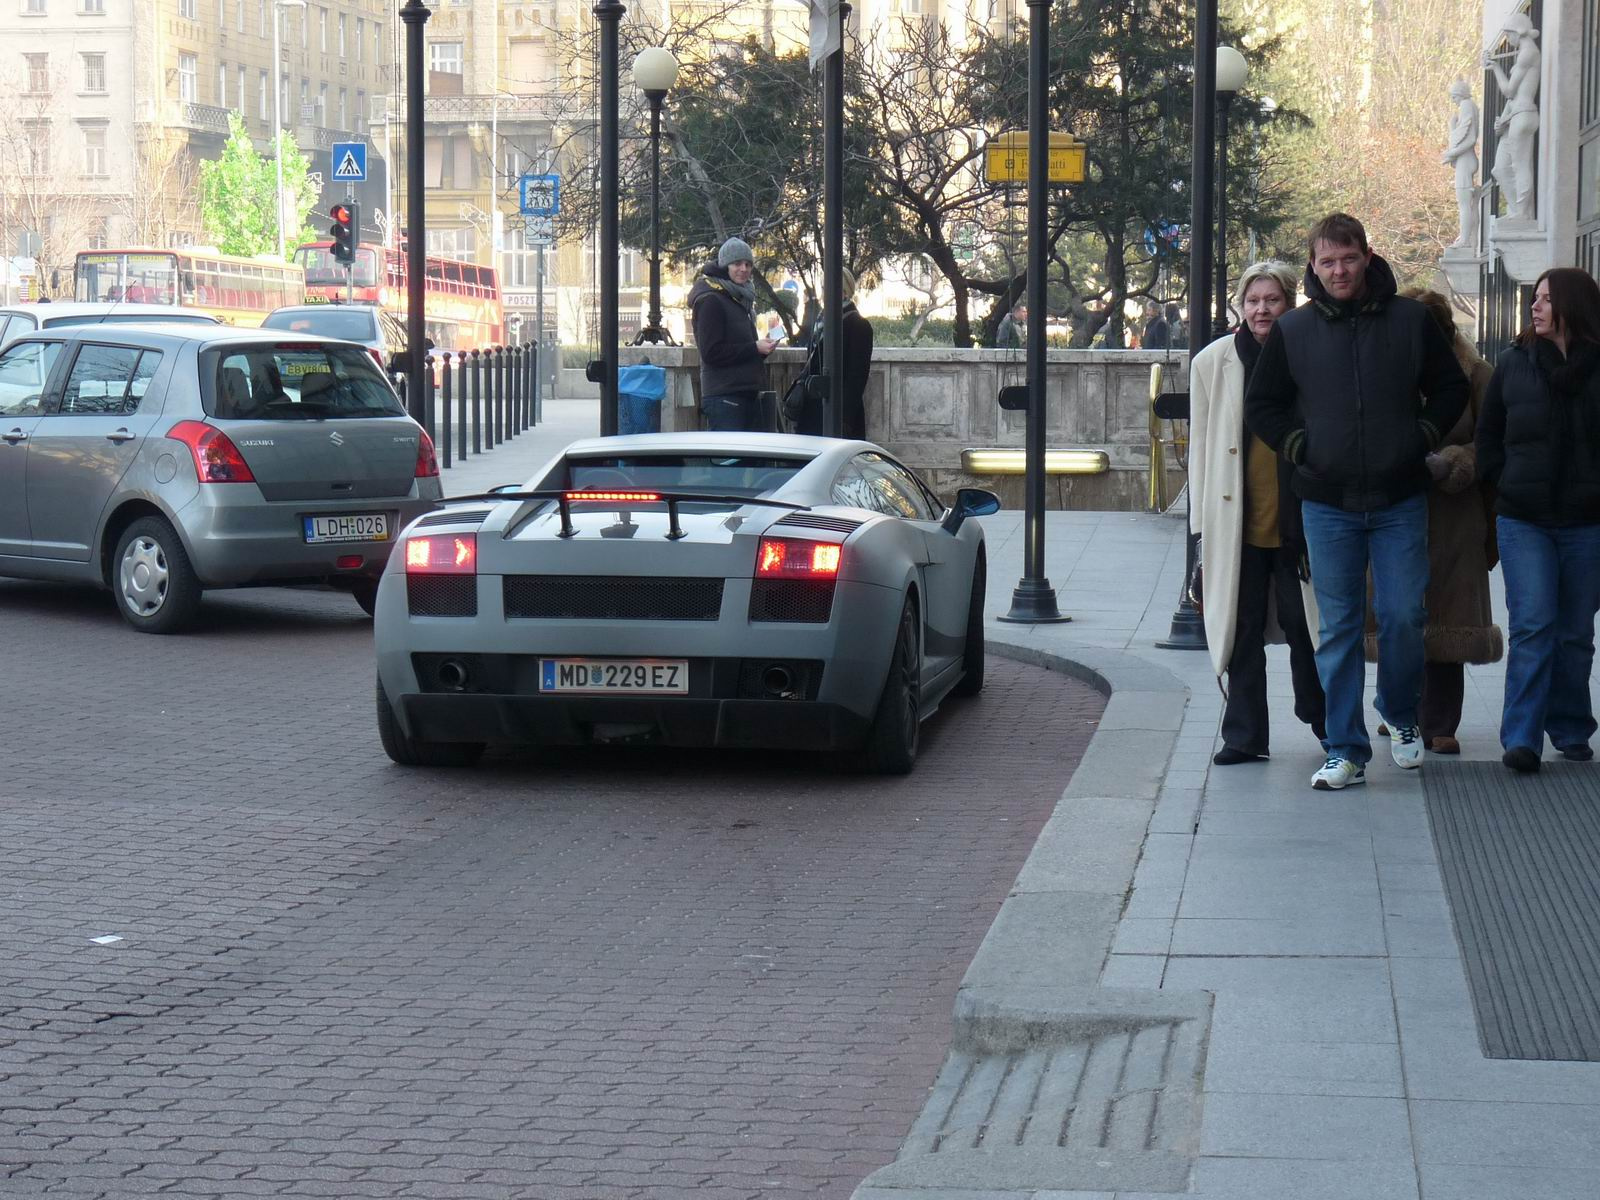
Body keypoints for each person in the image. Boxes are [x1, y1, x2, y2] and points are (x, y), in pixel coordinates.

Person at [1245, 212, 1468, 791]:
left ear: (1367, 257)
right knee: (1339, 628)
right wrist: (1300, 447)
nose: (1339, 270)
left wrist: (1420, 437)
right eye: (1327, 261)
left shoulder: (1411, 320)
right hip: (1326, 501)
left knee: (1403, 616)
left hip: (1398, 498)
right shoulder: (1294, 332)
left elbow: (1451, 388)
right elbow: (1263, 405)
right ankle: (1345, 748)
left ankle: (1398, 711)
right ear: (1314, 267)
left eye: (1348, 258)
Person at [1190, 260, 1325, 765]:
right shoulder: (1212, 362)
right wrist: (1200, 531)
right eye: (1253, 300)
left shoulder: (1311, 353)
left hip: (1299, 522)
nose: (1261, 309)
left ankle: (1325, 722)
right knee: (1240, 626)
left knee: (1304, 625)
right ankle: (1244, 736)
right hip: (1237, 524)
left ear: (1290, 303)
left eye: (1272, 300)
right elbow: (1202, 450)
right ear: (1240, 306)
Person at [1366, 289, 1502, 756]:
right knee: (1398, 612)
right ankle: (1398, 707)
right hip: (1393, 508)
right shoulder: (1386, 371)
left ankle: (1442, 722)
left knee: (1449, 613)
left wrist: (1453, 463)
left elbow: (1493, 444)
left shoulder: (1477, 375)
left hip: (1455, 513)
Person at [1475, 267, 1600, 773]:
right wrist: (1504, 483)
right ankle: (1521, 737)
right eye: (1536, 298)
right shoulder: (1513, 363)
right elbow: (1489, 436)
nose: (1535, 306)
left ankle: (1570, 727)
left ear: (1573, 305)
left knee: (1574, 631)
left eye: (1547, 299)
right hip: (1524, 519)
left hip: (1588, 521)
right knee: (1532, 624)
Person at [687, 236, 776, 431]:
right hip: (724, 397)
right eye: (737, 263)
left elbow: (736, 348)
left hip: (743, 393)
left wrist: (761, 350)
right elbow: (711, 353)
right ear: (725, 265)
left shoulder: (736, 297)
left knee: (751, 460)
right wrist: (754, 347)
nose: (744, 269)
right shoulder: (711, 300)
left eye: (748, 264)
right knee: (732, 461)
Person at [796, 267, 873, 440]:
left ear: (845, 292)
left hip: (838, 414)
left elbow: (858, 377)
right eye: (824, 288)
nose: (825, 293)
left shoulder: (858, 325)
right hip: (814, 407)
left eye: (831, 288)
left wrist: (845, 419)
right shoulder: (821, 321)